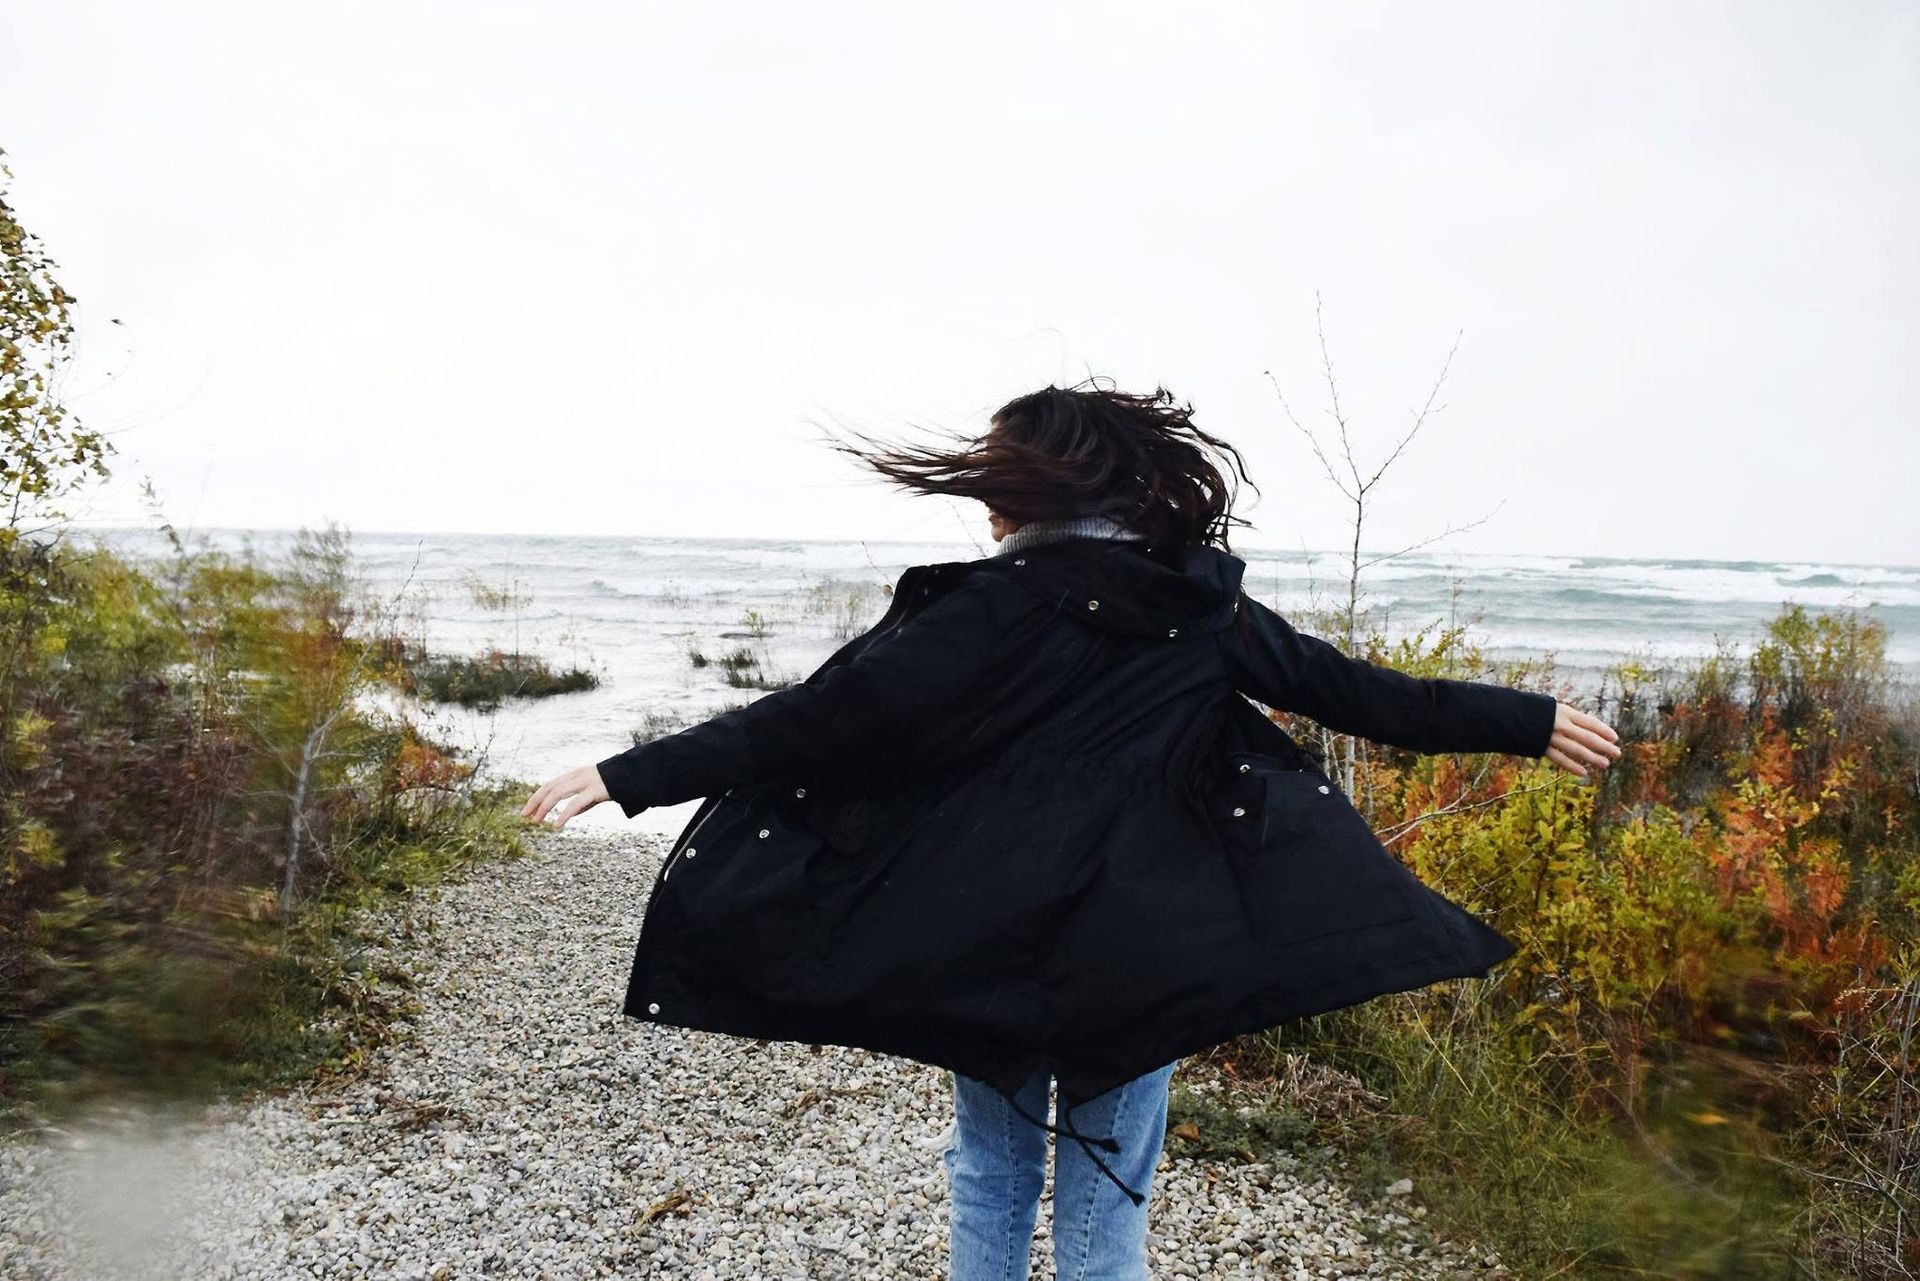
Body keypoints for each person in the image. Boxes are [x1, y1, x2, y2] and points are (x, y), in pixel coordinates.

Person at [522, 381, 1621, 1281]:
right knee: (1107, 1201)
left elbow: (811, 725)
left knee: (992, 1178)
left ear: (1031, 490)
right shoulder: (1197, 610)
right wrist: (1523, 721)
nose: (987, 505)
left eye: (996, 479)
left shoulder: (982, 612)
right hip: (1144, 950)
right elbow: (1366, 696)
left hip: (981, 943)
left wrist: (630, 775)